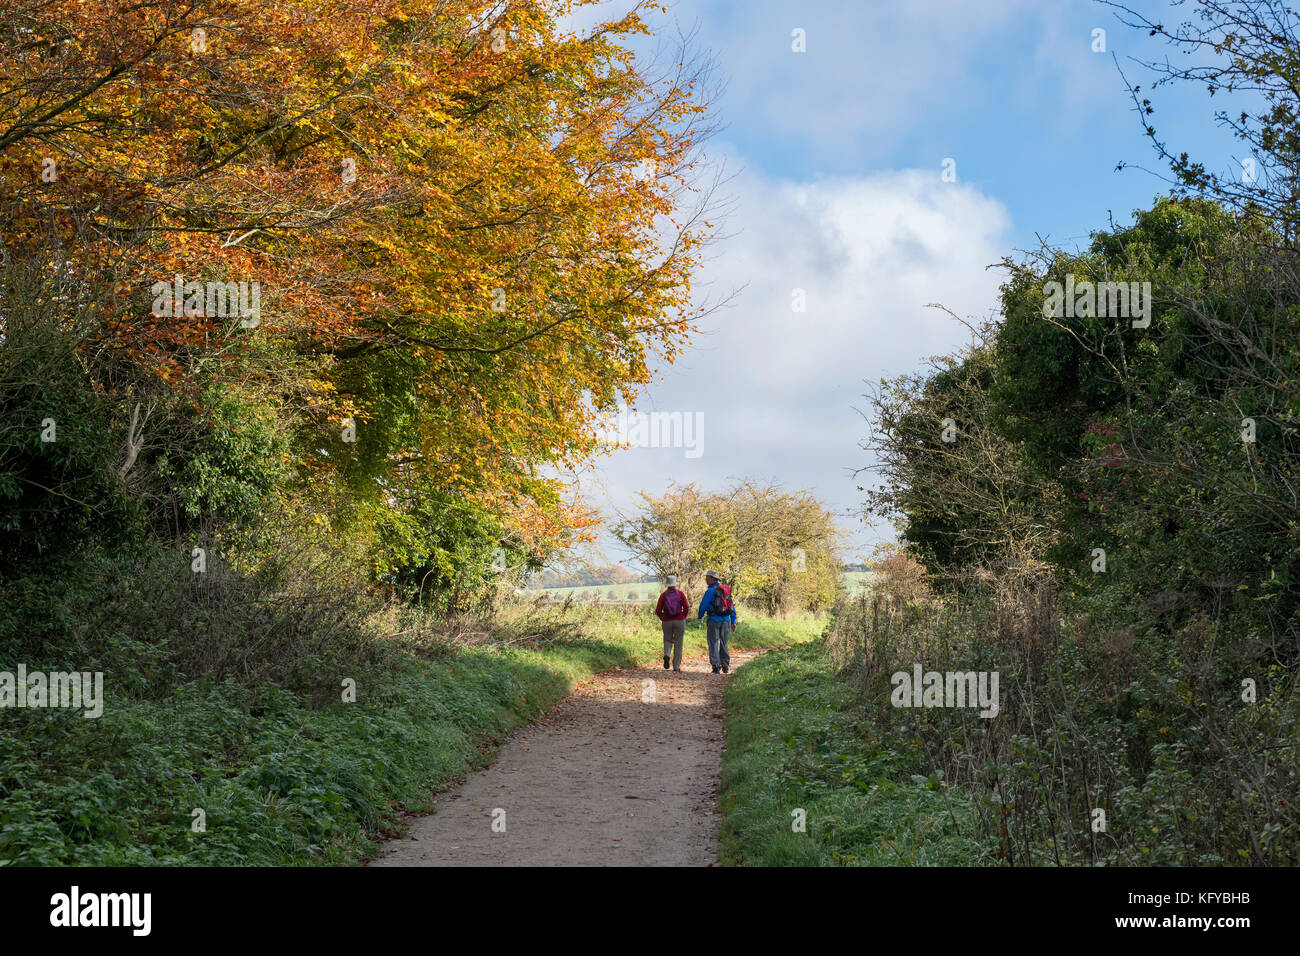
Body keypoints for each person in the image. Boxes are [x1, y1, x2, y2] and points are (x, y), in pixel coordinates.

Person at [697, 569, 737, 674]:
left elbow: (703, 605)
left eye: (707, 577)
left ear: (712, 579)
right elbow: (731, 606)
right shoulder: (725, 590)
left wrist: (700, 616)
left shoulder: (710, 591)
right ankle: (725, 665)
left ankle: (716, 666)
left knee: (713, 642)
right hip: (725, 620)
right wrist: (733, 621)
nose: (706, 579)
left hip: (713, 620)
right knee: (724, 643)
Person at [654, 575, 689, 672]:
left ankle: (667, 655)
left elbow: (657, 610)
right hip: (679, 620)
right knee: (678, 643)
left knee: (667, 640)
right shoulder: (680, 594)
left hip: (666, 621)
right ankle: (676, 666)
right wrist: (683, 617)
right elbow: (686, 607)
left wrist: (663, 618)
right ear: (675, 584)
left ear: (667, 584)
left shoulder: (663, 595)